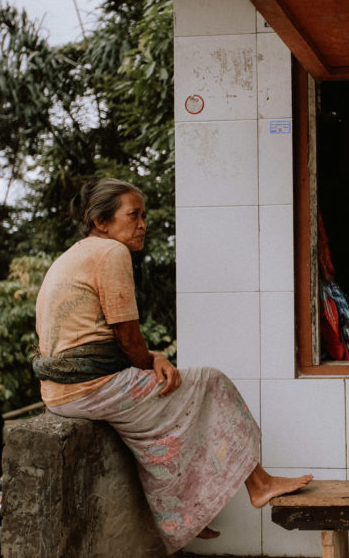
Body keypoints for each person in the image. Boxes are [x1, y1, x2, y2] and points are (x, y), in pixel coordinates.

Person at [33, 178, 311, 553]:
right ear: (102, 222)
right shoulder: (109, 252)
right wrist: (153, 361)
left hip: (62, 392)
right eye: (133, 215)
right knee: (211, 383)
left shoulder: (78, 253)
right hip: (88, 387)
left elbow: (117, 342)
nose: (143, 224)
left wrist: (154, 360)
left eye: (144, 215)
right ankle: (258, 485)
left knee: (169, 420)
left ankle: (190, 515)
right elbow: (128, 339)